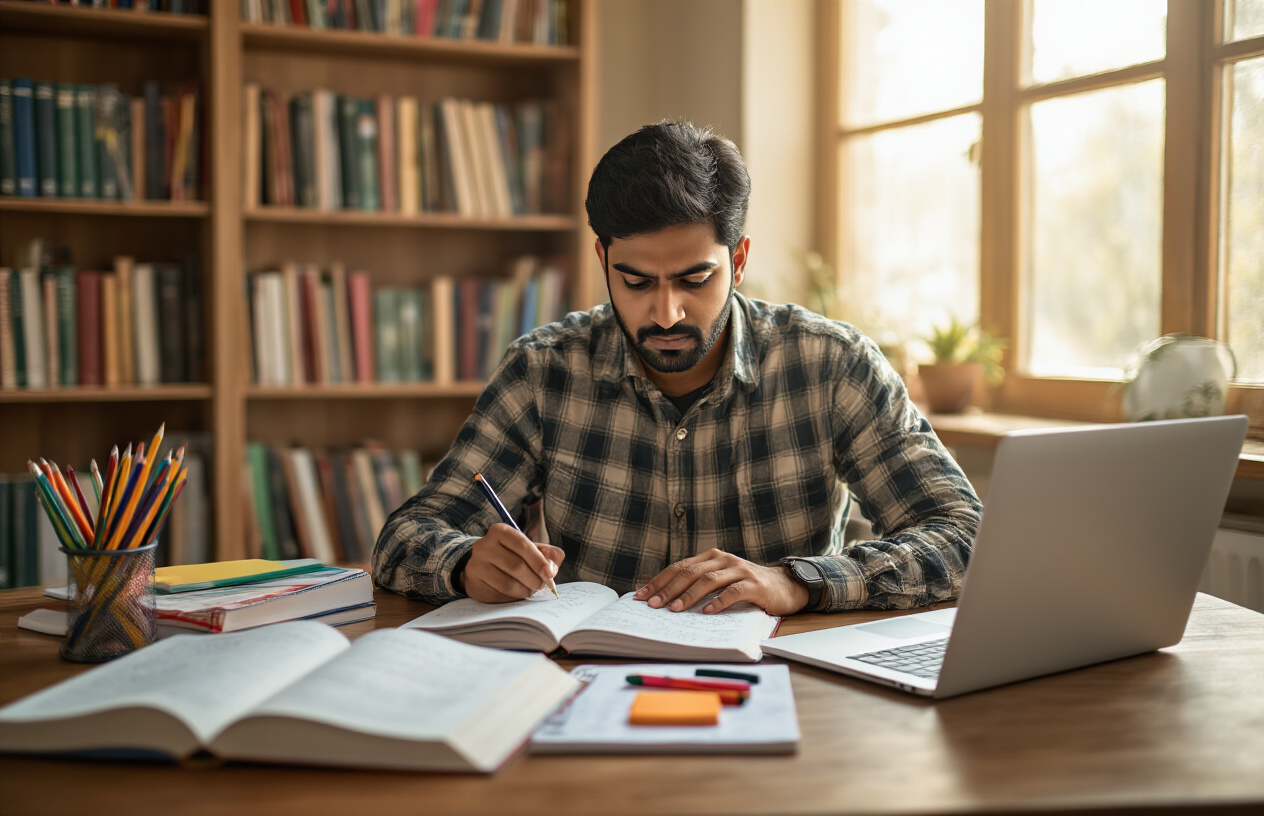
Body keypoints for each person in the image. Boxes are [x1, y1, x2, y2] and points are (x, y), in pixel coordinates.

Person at [373, 121, 982, 616]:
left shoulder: (833, 367)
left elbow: (966, 535)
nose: (666, 313)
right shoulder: (542, 372)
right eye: (636, 282)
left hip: (791, 684)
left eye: (695, 279)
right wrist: (463, 563)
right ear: (603, 259)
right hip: (588, 681)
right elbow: (406, 536)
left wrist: (798, 581)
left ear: (738, 261)